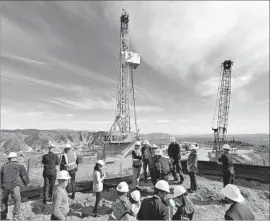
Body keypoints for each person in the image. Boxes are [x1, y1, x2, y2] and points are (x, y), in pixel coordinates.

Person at [1, 152, 29, 220]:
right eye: (16, 158)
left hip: (5, 186)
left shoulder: (3, 166)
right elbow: (24, 176)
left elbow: (1, 177)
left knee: (4, 200)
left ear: (9, 159)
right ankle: (16, 216)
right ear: (14, 158)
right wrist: (27, 183)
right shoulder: (19, 165)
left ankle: (3, 216)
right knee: (17, 199)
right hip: (15, 185)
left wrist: (1, 186)